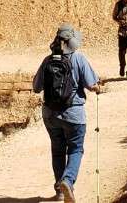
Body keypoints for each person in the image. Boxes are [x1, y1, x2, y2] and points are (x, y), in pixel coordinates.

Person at [33, 24, 104, 203]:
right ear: (72, 41)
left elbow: (36, 87)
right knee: (75, 148)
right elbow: (91, 84)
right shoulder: (78, 58)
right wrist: (98, 88)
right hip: (73, 114)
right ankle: (68, 181)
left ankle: (60, 192)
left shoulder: (47, 60)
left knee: (57, 151)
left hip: (50, 114)